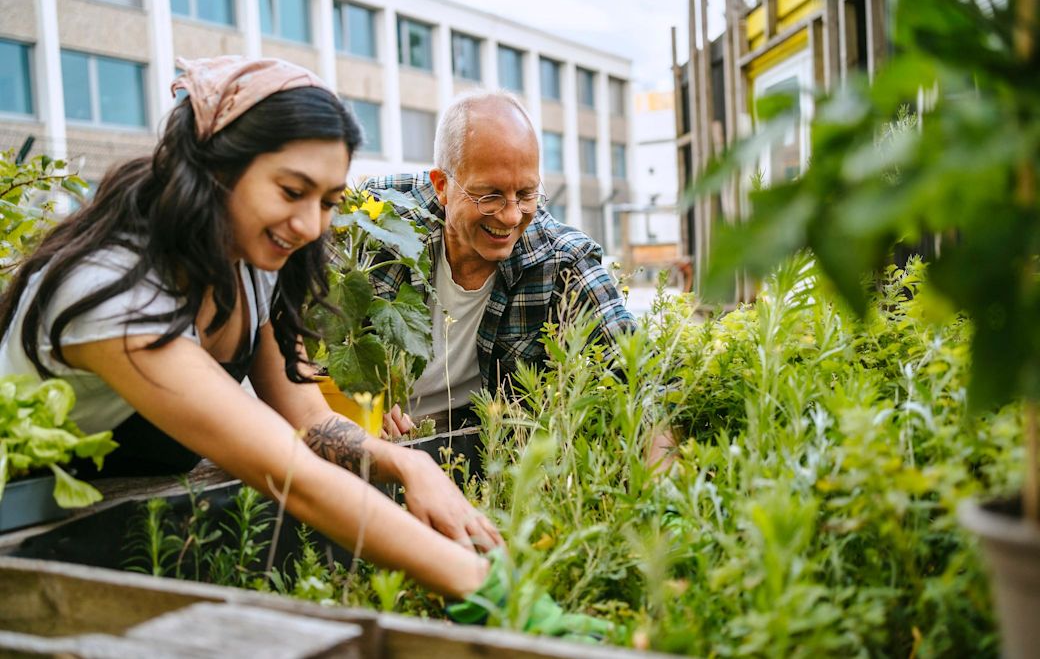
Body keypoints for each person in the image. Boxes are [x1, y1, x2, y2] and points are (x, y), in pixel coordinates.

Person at [0, 56, 501, 599]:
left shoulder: (249, 268)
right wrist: (487, 588)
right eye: (291, 191)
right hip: (23, 540)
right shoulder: (115, 295)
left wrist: (407, 465)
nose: (311, 226)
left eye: (328, 202)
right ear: (217, 168)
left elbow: (309, 421)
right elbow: (291, 476)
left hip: (105, 537)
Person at [360, 91, 640, 438]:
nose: (510, 216)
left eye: (525, 194)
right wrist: (363, 407)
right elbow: (307, 340)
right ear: (442, 186)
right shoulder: (376, 218)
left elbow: (642, 377)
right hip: (361, 440)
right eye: (489, 196)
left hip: (474, 451)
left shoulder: (559, 260)